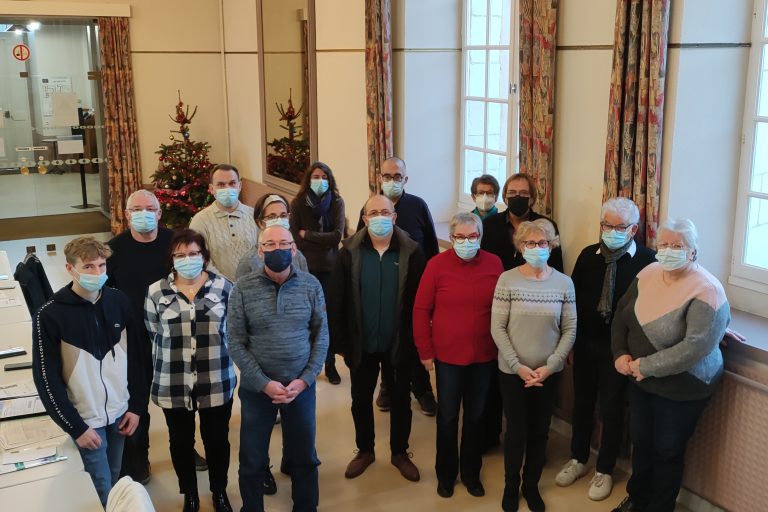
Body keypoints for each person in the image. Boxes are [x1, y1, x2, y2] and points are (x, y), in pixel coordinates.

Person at [611, 218, 730, 512]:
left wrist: (645, 367)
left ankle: (659, 507)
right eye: (663, 244)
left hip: (684, 385)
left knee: (666, 450)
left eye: (677, 246)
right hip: (640, 378)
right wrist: (620, 352)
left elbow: (695, 348)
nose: (668, 250)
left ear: (693, 251)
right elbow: (621, 314)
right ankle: (637, 499)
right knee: (641, 442)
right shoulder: (648, 273)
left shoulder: (707, 290)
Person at [555, 198, 656, 501]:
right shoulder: (589, 255)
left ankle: (605, 469)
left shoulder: (649, 262)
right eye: (606, 225)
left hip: (620, 350)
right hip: (586, 343)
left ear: (633, 229)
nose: (611, 231)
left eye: (619, 227)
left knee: (612, 409)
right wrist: (569, 343)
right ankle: (578, 458)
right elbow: (571, 302)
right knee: (582, 403)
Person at [32, 236, 143, 506]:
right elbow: (47, 380)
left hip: (119, 413)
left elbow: (138, 359)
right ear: (70, 269)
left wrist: (136, 406)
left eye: (101, 266)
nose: (97, 273)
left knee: (114, 478)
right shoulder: (49, 314)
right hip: (86, 420)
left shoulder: (119, 301)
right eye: (88, 267)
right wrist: (76, 427)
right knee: (100, 486)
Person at [228, 225, 328, 512]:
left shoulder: (311, 285)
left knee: (305, 457)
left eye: (283, 243)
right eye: (269, 244)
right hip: (257, 390)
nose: (277, 249)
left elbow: (321, 336)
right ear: (260, 251)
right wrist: (264, 383)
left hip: (301, 388)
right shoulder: (243, 288)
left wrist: (306, 379)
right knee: (252, 460)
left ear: (294, 249)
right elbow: (235, 341)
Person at [330, 194, 426, 483]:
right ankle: (365, 450)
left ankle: (400, 452)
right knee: (360, 400)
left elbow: (421, 302)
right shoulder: (349, 252)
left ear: (394, 217)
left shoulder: (412, 252)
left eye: (386, 212)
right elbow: (337, 299)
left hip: (399, 342)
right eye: (374, 213)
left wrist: (417, 341)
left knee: (401, 401)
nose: (380, 217)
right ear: (364, 218)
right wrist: (341, 343)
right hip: (361, 343)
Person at [144, 229, 237, 512]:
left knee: (217, 440)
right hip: (173, 381)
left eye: (194, 253)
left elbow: (234, 331)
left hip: (216, 379)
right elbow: (153, 332)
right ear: (172, 259)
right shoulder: (156, 291)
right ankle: (190, 494)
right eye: (180, 255)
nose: (188, 259)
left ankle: (219, 491)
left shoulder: (224, 287)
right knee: (181, 442)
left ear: (204, 256)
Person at [413, 211, 503, 499]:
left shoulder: (494, 263)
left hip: (484, 356)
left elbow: (503, 308)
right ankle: (446, 474)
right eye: (460, 237)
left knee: (476, 417)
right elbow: (421, 310)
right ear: (451, 239)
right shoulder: (436, 265)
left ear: (480, 237)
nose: (466, 242)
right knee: (448, 417)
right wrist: (425, 351)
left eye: (472, 236)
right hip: (448, 357)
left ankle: (471, 473)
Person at [491, 219, 576, 512]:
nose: (536, 248)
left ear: (551, 247)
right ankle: (511, 486)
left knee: (540, 431)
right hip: (513, 371)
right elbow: (497, 327)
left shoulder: (564, 283)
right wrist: (518, 366)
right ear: (520, 246)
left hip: (548, 373)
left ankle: (531, 485)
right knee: (516, 431)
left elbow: (570, 329)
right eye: (530, 243)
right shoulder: (507, 280)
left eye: (542, 243)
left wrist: (550, 366)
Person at [480, 173, 564, 453]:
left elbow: (557, 268)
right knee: (498, 378)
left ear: (533, 197)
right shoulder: (490, 225)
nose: (517, 198)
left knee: (531, 389)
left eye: (524, 194)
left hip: (534, 312)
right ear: (504, 196)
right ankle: (492, 434)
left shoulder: (546, 226)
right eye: (512, 193)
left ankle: (531, 443)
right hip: (498, 309)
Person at [356, 157, 438, 416]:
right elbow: (358, 248)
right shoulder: (371, 207)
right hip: (382, 288)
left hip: (415, 289)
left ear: (405, 179)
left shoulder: (418, 206)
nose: (392, 181)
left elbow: (432, 248)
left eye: (397, 177)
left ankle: (422, 389)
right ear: (380, 178)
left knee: (414, 340)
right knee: (386, 339)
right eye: (387, 176)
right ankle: (387, 387)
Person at [106, 189, 173, 484]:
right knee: (137, 401)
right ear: (126, 214)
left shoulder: (174, 243)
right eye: (136, 209)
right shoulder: (114, 250)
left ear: (159, 213)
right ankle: (139, 458)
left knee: (177, 398)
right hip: (131, 337)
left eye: (150, 208)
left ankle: (185, 448)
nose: (143, 213)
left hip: (171, 335)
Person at [290, 162, 346, 385]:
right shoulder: (298, 203)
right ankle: (307, 365)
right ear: (308, 179)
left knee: (327, 318)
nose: (320, 180)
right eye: (316, 176)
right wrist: (316, 238)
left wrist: (309, 235)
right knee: (307, 317)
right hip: (305, 268)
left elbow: (337, 236)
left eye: (324, 177)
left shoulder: (337, 202)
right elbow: (295, 237)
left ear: (329, 180)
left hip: (330, 269)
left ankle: (330, 364)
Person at [190, 163, 258, 281]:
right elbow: (201, 259)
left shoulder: (255, 216)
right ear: (212, 189)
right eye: (221, 185)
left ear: (239, 186)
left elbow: (263, 253)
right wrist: (225, 285)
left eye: (232, 183)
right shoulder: (200, 221)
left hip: (253, 284)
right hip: (217, 287)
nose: (227, 188)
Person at [235, 193, 309, 279]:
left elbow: (307, 283)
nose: (279, 221)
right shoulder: (248, 262)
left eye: (283, 216)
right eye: (271, 217)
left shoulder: (297, 256)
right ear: (260, 223)